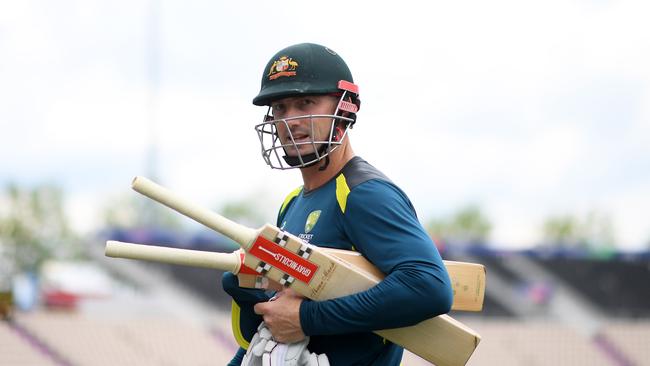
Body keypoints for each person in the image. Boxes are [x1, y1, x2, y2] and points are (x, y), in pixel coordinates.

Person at [222, 43, 453, 365]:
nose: (291, 121)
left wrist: (307, 318)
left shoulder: (364, 193)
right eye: (280, 108)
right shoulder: (293, 202)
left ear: (344, 109)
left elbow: (428, 286)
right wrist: (252, 291)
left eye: (305, 103)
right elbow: (281, 316)